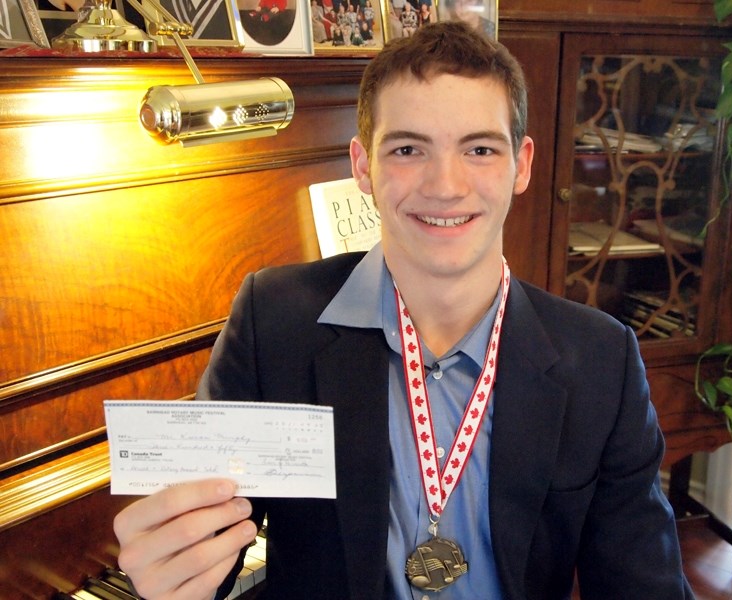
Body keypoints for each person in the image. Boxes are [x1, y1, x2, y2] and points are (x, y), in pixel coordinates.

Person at [113, 21, 694, 600]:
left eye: (480, 149)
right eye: (409, 148)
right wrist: (173, 581)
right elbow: (210, 542)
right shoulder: (272, 321)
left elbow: (644, 585)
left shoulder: (602, 359)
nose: (446, 185)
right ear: (364, 166)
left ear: (522, 164)